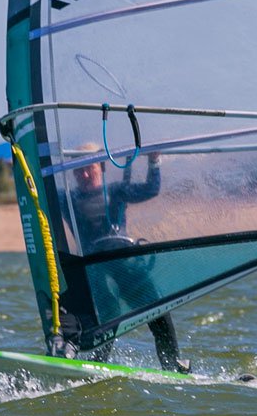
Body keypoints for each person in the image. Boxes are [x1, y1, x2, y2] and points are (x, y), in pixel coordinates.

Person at [67, 150, 188, 373]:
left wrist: (153, 161)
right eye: (79, 170)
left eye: (89, 168)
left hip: (123, 259)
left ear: (101, 168)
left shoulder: (117, 191)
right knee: (110, 311)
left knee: (157, 308)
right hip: (94, 265)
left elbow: (150, 189)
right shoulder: (67, 199)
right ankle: (96, 364)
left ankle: (172, 365)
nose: (84, 175)